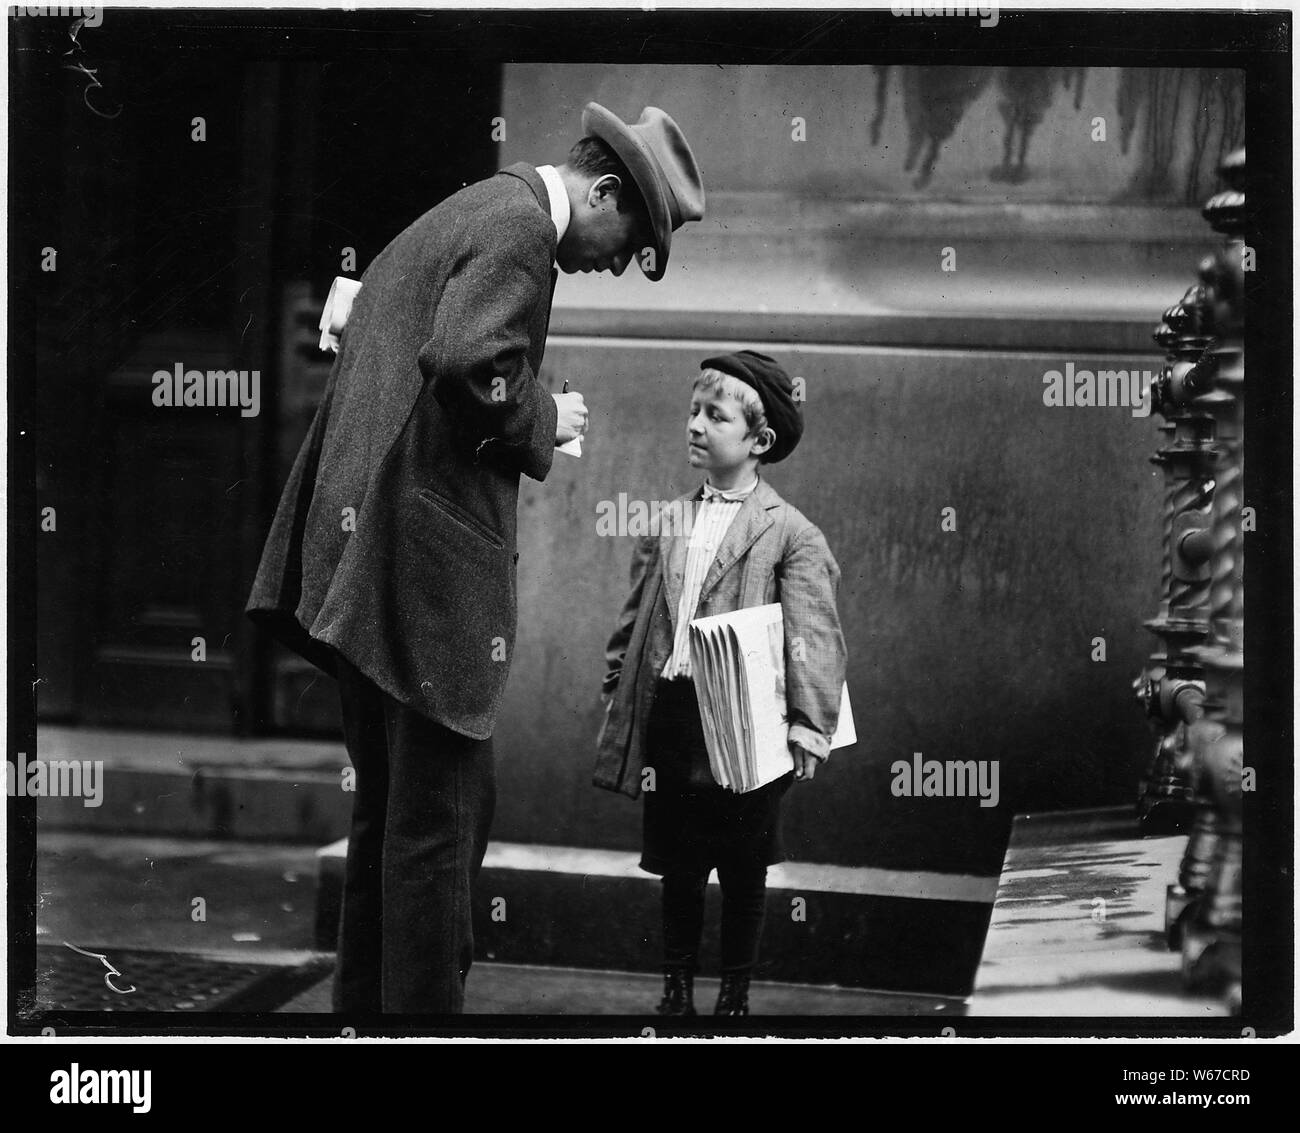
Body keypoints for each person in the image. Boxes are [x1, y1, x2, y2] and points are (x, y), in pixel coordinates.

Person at [246, 103, 705, 1014]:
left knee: (391, 825)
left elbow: (397, 337)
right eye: (631, 240)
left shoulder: (472, 208)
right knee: (440, 837)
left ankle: (364, 1023)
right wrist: (546, 419)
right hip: (422, 586)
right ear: (604, 190)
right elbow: (467, 357)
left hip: (359, 570)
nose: (617, 264)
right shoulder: (522, 233)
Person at [593, 350, 847, 1016]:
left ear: (759, 441)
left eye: (716, 415)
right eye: (693, 411)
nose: (697, 425)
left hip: (748, 723)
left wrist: (808, 723)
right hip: (676, 718)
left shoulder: (789, 532)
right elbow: (637, 617)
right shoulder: (669, 518)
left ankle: (735, 993)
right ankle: (675, 986)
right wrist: (619, 688)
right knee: (679, 863)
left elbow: (814, 635)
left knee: (742, 865)